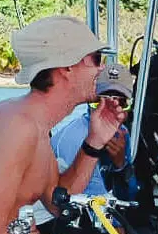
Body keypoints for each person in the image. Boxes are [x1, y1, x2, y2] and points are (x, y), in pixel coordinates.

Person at [0, 16, 125, 234]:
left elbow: (56, 201)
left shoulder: (35, 123)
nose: (102, 68)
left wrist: (94, 142)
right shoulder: (19, 127)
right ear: (67, 66)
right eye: (96, 59)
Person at [52, 64, 133, 198]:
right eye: (101, 102)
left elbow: (129, 197)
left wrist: (121, 165)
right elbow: (62, 201)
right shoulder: (71, 138)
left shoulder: (123, 132)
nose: (112, 110)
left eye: (121, 103)